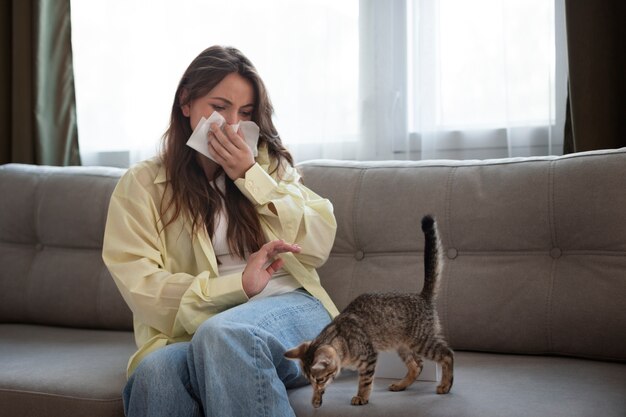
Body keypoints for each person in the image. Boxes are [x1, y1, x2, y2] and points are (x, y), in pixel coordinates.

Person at [102, 45, 339, 417]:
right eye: (219, 107)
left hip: (291, 309)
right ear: (186, 103)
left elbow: (317, 244)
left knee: (224, 334)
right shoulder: (142, 185)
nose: (231, 125)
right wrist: (239, 287)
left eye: (244, 113)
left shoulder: (269, 166)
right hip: (201, 327)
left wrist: (250, 177)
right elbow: (143, 287)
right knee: (155, 372)